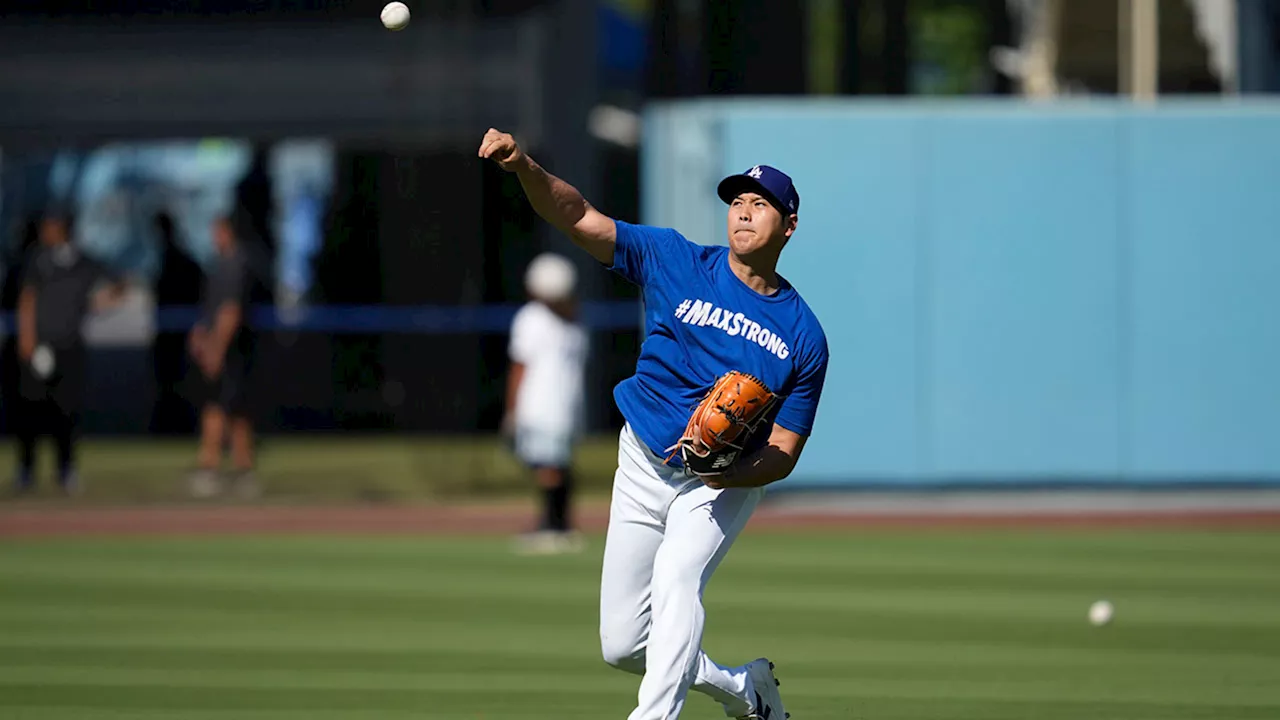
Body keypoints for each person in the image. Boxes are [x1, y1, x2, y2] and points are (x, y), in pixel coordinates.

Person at [479, 128, 828, 720]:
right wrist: (525, 167)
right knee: (624, 643)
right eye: (737, 201)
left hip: (715, 484)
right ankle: (744, 691)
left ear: (788, 226)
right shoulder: (675, 259)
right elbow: (578, 216)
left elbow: (786, 448)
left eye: (760, 203)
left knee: (676, 583)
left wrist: (733, 473)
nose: (743, 211)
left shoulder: (803, 335)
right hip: (641, 459)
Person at [12, 209, 128, 495]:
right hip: (40, 345)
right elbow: (27, 299)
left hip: (69, 345)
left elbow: (119, 284)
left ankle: (65, 470)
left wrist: (95, 305)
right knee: (31, 408)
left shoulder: (84, 262)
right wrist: (27, 337)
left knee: (66, 409)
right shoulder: (38, 260)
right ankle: (26, 470)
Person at [504, 251, 589, 555]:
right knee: (556, 465)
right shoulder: (572, 321)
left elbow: (519, 367)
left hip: (545, 407)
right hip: (558, 407)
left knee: (550, 467)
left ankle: (553, 526)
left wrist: (511, 410)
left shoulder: (533, 319)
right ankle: (559, 523)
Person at [186, 216, 259, 499]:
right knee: (233, 407)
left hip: (232, 349)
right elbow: (212, 309)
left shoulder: (234, 265)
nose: (213, 237)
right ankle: (242, 468)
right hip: (224, 346)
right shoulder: (219, 265)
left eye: (217, 231)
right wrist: (200, 333)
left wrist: (216, 347)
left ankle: (211, 466)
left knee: (219, 406)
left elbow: (230, 312)